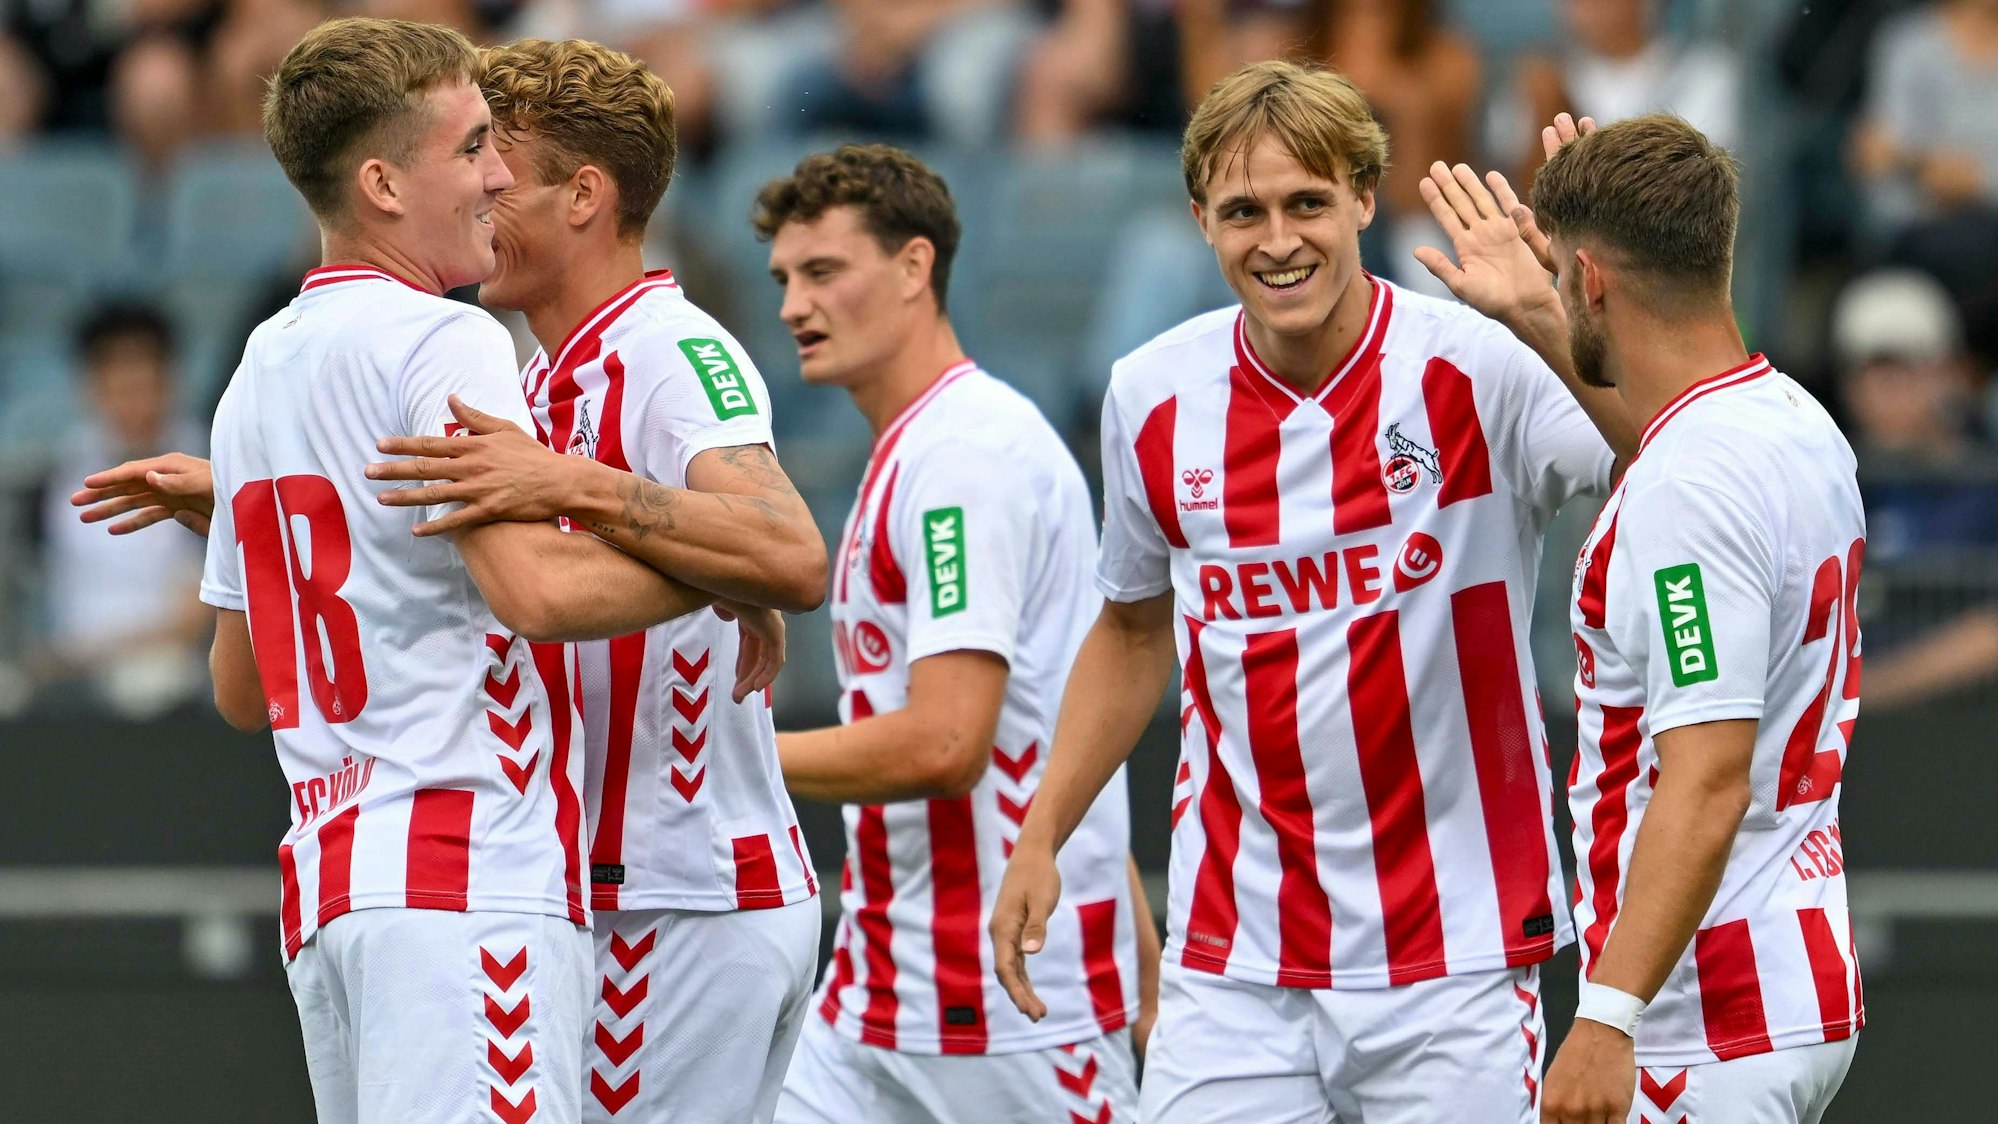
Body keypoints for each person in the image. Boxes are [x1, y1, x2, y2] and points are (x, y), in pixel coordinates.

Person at [71, 18, 744, 1122]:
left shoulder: (255, 371)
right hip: (467, 877)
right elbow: (536, 596)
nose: (496, 177)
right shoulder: (448, 338)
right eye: (474, 145)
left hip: (332, 889)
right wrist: (719, 572)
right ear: (383, 182)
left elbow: (245, 688)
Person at [991, 60, 1632, 1123]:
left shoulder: (1479, 364)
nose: (1277, 239)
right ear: (1200, 220)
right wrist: (1040, 831)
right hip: (1234, 956)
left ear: (1365, 201)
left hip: (1454, 955)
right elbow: (1132, 626)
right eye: (1243, 210)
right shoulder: (1150, 396)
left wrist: (1550, 320)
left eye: (1307, 203)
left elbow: (1668, 449)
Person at [360, 36, 829, 1124]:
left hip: (685, 894)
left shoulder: (671, 349)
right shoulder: (531, 371)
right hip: (612, 892)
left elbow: (793, 548)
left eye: (499, 175)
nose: (477, 194)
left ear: (586, 196)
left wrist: (574, 481)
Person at [1416, 113, 1864, 1122]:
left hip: (1703, 1015)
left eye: (1565, 277)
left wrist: (1607, 1015)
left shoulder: (1689, 487)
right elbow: (1664, 453)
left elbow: (1707, 776)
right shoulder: (1790, 419)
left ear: (1596, 278)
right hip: (1791, 973)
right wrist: (1544, 310)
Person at [755, 143, 1158, 1124]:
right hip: (878, 993)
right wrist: (1149, 985)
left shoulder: (964, 461)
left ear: (914, 266)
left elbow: (947, 740)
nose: (792, 307)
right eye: (782, 278)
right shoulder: (931, 446)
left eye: (823, 272)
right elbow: (1053, 722)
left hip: (1006, 1006)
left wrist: (741, 752)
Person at [35, 301, 208, 717]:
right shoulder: (60, 472)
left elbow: (195, 617)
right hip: (70, 670)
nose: (131, 395)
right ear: (91, 384)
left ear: (168, 378)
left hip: (169, 672)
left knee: (150, 683)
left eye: (142, 377)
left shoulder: (207, 466)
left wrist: (89, 656)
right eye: (116, 379)